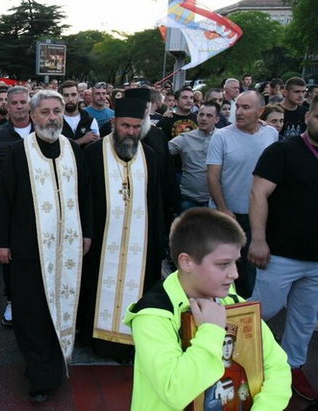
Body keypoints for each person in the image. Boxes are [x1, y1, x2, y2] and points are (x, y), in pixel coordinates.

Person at [124, 208, 291, 411]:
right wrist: (211, 330)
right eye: (223, 264)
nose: (235, 274)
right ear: (187, 262)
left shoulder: (233, 302)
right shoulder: (153, 315)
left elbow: (277, 366)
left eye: (236, 262)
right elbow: (174, 391)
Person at [0, 90, 92, 402]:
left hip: (67, 249)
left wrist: (87, 233)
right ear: (33, 117)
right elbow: (4, 201)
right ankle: (39, 375)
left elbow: (86, 195)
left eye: (57, 111)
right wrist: (1, 243)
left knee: (61, 306)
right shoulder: (18, 152)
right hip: (28, 249)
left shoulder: (73, 150)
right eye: (46, 112)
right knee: (32, 312)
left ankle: (53, 362)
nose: (52, 118)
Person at [79, 97, 165, 361]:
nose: (131, 132)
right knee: (95, 288)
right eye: (126, 125)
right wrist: (86, 233)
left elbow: (157, 201)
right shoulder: (93, 154)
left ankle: (129, 345)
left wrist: (159, 241)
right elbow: (84, 199)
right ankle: (94, 339)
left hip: (139, 242)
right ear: (114, 123)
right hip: (102, 241)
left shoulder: (149, 156)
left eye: (136, 127)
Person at [248, 95, 318, 401]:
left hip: (316, 260)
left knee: (304, 319)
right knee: (262, 311)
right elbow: (258, 194)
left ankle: (293, 366)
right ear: (308, 116)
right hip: (280, 254)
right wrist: (259, 239)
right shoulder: (282, 151)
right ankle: (238, 360)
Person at [206, 90, 278, 297]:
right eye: (238, 106)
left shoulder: (271, 134)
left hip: (259, 215)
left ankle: (248, 315)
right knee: (224, 268)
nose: (239, 112)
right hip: (228, 215)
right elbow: (212, 177)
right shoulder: (221, 136)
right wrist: (223, 209)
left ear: (260, 111)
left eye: (246, 107)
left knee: (253, 270)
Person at [0, 86, 33, 326]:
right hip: (8, 207)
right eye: (15, 103)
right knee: (8, 256)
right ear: (7, 106)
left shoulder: (42, 131)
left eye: (23, 102)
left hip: (39, 209)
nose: (20, 106)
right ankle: (12, 300)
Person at [169, 102, 221, 212]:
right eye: (201, 115)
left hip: (215, 200)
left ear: (216, 119)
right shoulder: (185, 138)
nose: (204, 118)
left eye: (209, 116)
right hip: (189, 199)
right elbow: (162, 150)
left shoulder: (224, 137)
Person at [203, 324, 252, 411]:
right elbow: (208, 406)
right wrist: (223, 399)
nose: (226, 348)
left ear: (234, 346)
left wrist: (242, 395)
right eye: (223, 344)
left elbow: (246, 401)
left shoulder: (240, 370)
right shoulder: (213, 370)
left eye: (229, 343)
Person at [58, 80, 99, 146]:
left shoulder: (90, 120)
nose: (70, 99)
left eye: (73, 95)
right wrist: (81, 141)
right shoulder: (55, 120)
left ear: (79, 96)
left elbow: (95, 147)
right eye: (66, 95)